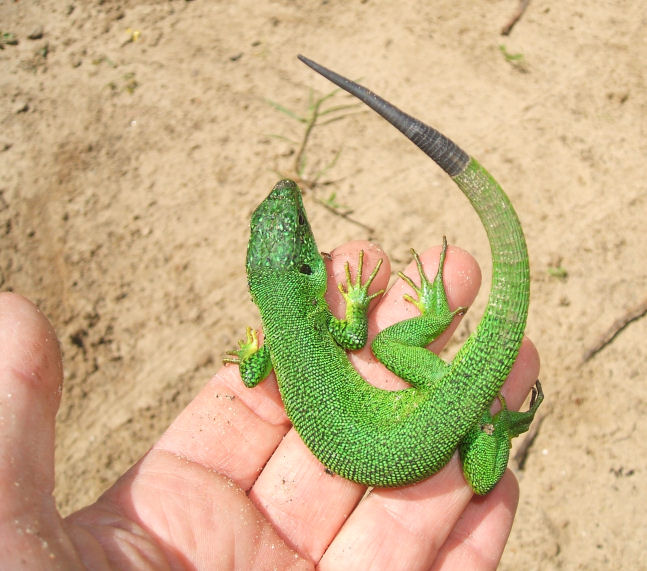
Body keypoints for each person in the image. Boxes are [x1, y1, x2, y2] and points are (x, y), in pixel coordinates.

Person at [0, 240, 539, 569]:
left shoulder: (280, 340)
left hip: (409, 436)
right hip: (414, 423)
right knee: (397, 356)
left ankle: (490, 423)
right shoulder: (317, 324)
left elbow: (254, 373)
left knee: (481, 472)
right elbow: (353, 340)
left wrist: (253, 355)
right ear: (308, 273)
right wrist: (353, 303)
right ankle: (472, 385)